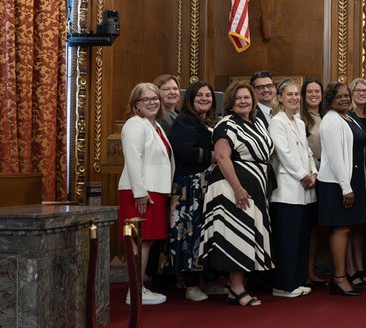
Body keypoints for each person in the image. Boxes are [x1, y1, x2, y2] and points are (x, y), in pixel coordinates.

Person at [200, 81, 275, 307]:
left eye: (247, 97)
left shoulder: (257, 122)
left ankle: (235, 287)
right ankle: (236, 287)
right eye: (238, 98)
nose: (243, 101)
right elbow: (222, 157)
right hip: (231, 188)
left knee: (247, 235)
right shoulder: (226, 124)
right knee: (236, 236)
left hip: (253, 187)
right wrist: (238, 188)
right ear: (230, 103)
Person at [117, 82, 173, 306]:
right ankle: (135, 290)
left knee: (146, 241)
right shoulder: (134, 124)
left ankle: (138, 287)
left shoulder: (154, 125)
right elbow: (133, 159)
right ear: (135, 104)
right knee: (139, 241)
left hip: (153, 190)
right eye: (146, 99)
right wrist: (139, 193)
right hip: (140, 191)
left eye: (155, 98)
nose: (152, 102)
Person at [167, 80, 218, 301]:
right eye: (200, 95)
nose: (204, 99)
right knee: (189, 234)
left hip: (206, 186)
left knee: (206, 233)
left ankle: (210, 280)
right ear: (190, 98)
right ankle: (191, 285)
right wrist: (215, 156)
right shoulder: (185, 120)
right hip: (189, 188)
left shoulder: (209, 121)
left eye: (208, 95)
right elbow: (185, 151)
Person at [316, 82, 366, 297]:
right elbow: (336, 157)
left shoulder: (348, 118)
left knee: (348, 228)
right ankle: (339, 278)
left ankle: (343, 275)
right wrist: (346, 188)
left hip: (351, 181)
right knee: (342, 228)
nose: (345, 99)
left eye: (347, 95)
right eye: (339, 96)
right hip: (337, 184)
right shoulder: (330, 121)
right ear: (329, 100)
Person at [268, 78, 318, 298]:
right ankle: (283, 285)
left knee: (300, 238)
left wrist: (314, 173)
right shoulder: (277, 121)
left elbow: (308, 151)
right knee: (287, 240)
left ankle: (297, 280)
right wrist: (302, 175)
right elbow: (283, 153)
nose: (294, 98)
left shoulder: (299, 121)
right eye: (289, 94)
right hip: (287, 189)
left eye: (297, 94)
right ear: (280, 98)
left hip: (305, 189)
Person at [347, 77, 366, 285]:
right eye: (357, 90)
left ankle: (360, 266)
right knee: (349, 225)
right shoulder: (347, 117)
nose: (361, 93)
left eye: (364, 90)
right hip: (353, 175)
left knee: (361, 225)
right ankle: (350, 269)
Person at [300, 76, 327, 287]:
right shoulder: (301, 118)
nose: (314, 95)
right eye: (310, 91)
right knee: (306, 228)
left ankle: (311, 269)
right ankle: (304, 273)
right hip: (308, 178)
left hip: (325, 178)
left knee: (317, 228)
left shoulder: (326, 116)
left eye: (317, 91)